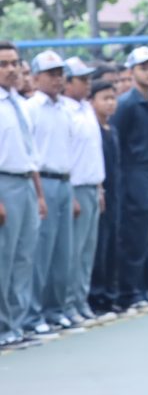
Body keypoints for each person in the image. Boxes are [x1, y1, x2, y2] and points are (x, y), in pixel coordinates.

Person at [26, 50, 77, 334]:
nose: (58, 79)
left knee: (62, 251)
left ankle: (56, 309)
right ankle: (34, 314)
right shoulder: (31, 108)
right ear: (35, 78)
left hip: (65, 180)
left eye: (60, 73)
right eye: (51, 74)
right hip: (43, 180)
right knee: (40, 252)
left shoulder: (66, 109)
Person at [0, 41, 47, 350]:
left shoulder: (19, 103)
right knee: (3, 259)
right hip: (4, 185)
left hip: (27, 185)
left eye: (15, 62)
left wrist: (39, 194)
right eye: (4, 64)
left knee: (23, 257)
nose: (12, 69)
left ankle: (16, 325)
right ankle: (3, 328)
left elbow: (29, 153)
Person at [111, 46, 148, 312]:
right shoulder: (127, 104)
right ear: (131, 71)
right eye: (144, 67)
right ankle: (129, 292)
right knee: (133, 234)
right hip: (133, 173)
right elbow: (117, 142)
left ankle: (144, 287)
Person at [62, 57, 104, 326]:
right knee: (72, 252)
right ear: (68, 83)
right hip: (75, 187)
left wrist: (100, 187)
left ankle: (80, 301)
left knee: (88, 250)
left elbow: (93, 152)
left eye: (90, 79)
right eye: (82, 79)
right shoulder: (64, 110)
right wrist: (73, 192)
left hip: (92, 185)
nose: (88, 84)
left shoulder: (86, 109)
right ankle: (67, 305)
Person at [88, 80, 120, 317]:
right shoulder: (92, 128)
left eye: (112, 98)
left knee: (111, 244)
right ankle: (96, 296)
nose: (110, 103)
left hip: (116, 191)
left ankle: (110, 294)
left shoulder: (112, 128)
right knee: (97, 246)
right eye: (104, 98)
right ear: (92, 102)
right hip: (100, 191)